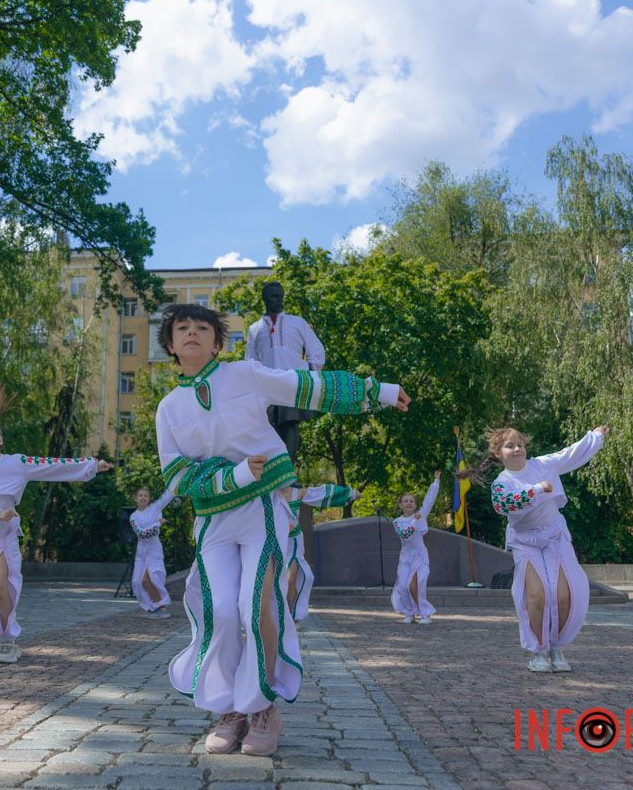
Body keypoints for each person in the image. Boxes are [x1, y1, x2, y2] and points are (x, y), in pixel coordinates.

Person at [157, 303, 408, 757]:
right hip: (212, 519)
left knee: (256, 607)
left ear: (218, 343)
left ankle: (262, 707)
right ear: (170, 346)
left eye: (202, 328)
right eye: (182, 328)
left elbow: (305, 385)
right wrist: (234, 475)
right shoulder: (169, 408)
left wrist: (380, 392)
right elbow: (175, 478)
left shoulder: (245, 375)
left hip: (261, 509)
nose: (192, 333)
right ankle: (229, 709)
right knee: (222, 613)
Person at [0, 384, 111, 665]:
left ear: (1, 438)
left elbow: (54, 465)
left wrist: (91, 465)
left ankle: (9, 642)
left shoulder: (18, 462)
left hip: (5, 535)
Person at [484, 426, 607, 673]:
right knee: (536, 594)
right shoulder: (501, 484)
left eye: (520, 444)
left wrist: (595, 436)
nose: (517, 449)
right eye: (510, 446)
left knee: (563, 595)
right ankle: (538, 651)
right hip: (524, 541)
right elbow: (504, 505)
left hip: (554, 537)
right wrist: (537, 488)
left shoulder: (543, 464)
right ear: (498, 453)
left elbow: (571, 453)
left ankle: (557, 647)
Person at [246, 281, 325, 460]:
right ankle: (274, 474)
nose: (279, 300)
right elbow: (250, 360)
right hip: (266, 386)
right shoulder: (254, 329)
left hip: (292, 382)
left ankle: (288, 474)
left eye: (281, 296)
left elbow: (316, 349)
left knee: (290, 425)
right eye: (275, 297)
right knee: (268, 430)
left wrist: (310, 372)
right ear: (265, 299)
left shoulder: (297, 322)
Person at [285, 483, 358, 621]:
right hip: (272, 542)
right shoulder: (267, 493)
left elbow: (322, 493)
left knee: (291, 580)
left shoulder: (298, 493)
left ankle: (289, 617)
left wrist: (350, 494)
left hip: (292, 542)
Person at [391, 472, 441, 625]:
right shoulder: (397, 521)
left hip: (419, 555)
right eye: (405, 501)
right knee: (402, 586)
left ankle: (425, 615)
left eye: (411, 501)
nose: (409, 503)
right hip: (405, 557)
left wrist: (436, 482)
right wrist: (414, 521)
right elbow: (405, 534)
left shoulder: (420, 515)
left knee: (416, 584)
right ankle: (410, 613)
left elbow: (429, 501)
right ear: (400, 505)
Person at [129, 487, 174, 619]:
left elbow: (168, 495)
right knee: (137, 582)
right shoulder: (133, 517)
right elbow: (142, 534)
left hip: (154, 550)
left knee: (151, 578)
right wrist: (158, 524)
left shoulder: (155, 508)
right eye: (140, 495)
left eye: (146, 496)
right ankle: (152, 607)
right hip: (141, 553)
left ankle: (161, 606)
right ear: (136, 498)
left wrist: (176, 481)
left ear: (149, 499)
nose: (143, 498)